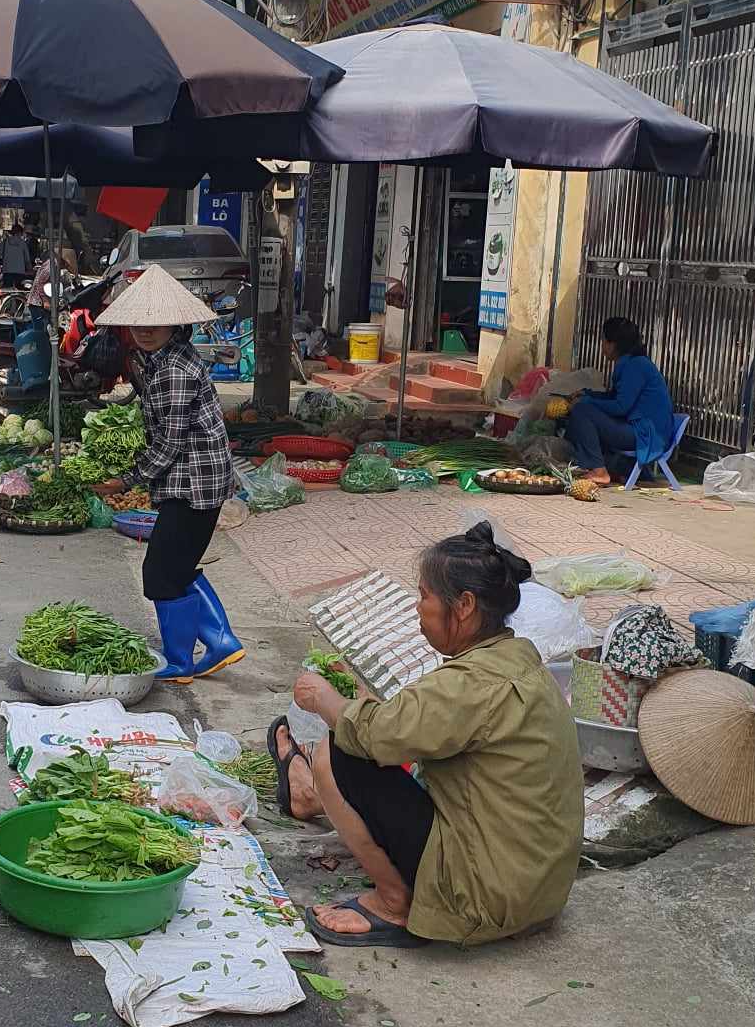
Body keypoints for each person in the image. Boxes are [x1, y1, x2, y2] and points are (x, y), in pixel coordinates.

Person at [267, 522, 583, 950]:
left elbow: (373, 734)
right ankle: (310, 792)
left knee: (337, 752)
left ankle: (393, 904)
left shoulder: (472, 682)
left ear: (465, 605)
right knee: (375, 747)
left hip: (487, 899)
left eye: (424, 596)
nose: (418, 608)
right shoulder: (517, 659)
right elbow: (415, 725)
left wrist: (323, 699)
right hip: (536, 892)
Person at [91, 264, 243, 682]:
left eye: (155, 323)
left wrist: (125, 480)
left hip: (195, 482)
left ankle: (181, 660)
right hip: (192, 480)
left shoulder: (174, 367)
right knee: (177, 565)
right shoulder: (160, 358)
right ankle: (220, 641)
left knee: (160, 573)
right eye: (139, 323)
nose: (146, 330)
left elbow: (171, 441)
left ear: (174, 324)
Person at [564, 316, 675, 487]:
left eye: (603, 340)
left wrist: (587, 401)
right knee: (582, 410)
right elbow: (614, 397)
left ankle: (599, 471)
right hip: (641, 429)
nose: (602, 345)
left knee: (582, 411)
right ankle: (618, 468)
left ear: (613, 344)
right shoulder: (632, 363)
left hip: (644, 434)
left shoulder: (635, 366)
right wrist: (588, 394)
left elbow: (620, 407)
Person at [0, 218, 33, 288]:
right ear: (20, 232)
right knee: (19, 292)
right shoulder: (23, 243)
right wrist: (30, 270)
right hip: (20, 272)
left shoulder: (4, 242)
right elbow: (27, 260)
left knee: (7, 291)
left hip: (7, 271)